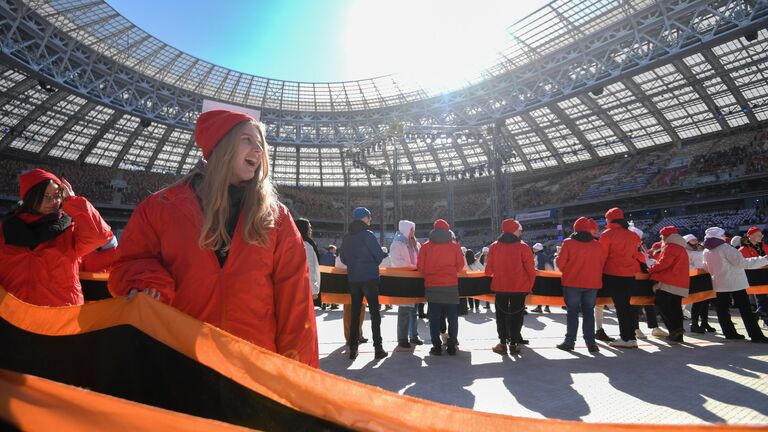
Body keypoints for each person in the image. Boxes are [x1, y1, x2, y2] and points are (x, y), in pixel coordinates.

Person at [109, 110, 319, 367]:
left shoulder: (277, 217)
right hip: (182, 359)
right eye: (248, 140)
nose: (259, 150)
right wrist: (147, 282)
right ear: (221, 143)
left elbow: (295, 303)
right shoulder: (161, 207)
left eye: (261, 144)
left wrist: (300, 376)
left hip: (254, 369)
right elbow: (129, 262)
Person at [1, 169, 113, 306]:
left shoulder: (69, 230)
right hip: (14, 317)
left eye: (57, 195)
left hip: (60, 318)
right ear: (31, 197)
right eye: (46, 196)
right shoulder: (5, 230)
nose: (53, 201)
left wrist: (72, 200)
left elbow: (100, 236)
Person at [702, 227, 768, 343]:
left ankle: (729, 333)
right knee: (745, 309)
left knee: (722, 310)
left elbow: (706, 268)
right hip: (735, 282)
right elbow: (743, 263)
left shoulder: (706, 251)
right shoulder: (725, 248)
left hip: (719, 283)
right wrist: (764, 259)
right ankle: (756, 335)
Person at [340, 207, 388, 360]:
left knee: (355, 314)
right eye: (369, 216)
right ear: (364, 218)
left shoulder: (347, 237)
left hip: (354, 279)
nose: (370, 219)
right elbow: (378, 256)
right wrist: (379, 256)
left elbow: (343, 259)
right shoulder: (368, 235)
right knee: (374, 314)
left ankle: (353, 349)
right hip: (370, 278)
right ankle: (378, 348)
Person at [485, 219, 535, 355]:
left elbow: (488, 271)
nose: (520, 232)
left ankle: (502, 344)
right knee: (516, 316)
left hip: (500, 287)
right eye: (519, 230)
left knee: (501, 316)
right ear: (513, 230)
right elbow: (531, 270)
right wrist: (529, 286)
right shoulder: (523, 247)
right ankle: (513, 344)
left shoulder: (494, 246)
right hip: (519, 288)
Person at [556, 217, 606, 352]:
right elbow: (602, 264)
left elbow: (560, 265)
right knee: (589, 312)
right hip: (592, 283)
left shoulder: (568, 243)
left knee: (572, 312)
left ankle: (569, 342)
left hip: (572, 282)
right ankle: (591, 343)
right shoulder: (598, 245)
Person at [417, 219, 464, 356]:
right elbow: (460, 265)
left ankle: (436, 346)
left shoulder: (426, 246)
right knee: (452, 317)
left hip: (432, 285)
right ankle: (451, 346)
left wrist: (430, 273)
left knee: (434, 318)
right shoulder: (455, 246)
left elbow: (420, 267)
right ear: (448, 231)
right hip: (450, 285)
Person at [600, 207, 641, 348]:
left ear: (609, 219)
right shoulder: (632, 235)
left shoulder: (607, 234)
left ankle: (626, 338)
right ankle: (631, 337)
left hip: (613, 274)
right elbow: (635, 255)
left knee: (621, 307)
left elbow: (602, 256)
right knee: (627, 306)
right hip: (630, 274)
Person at [648, 226, 689, 343]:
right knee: (675, 307)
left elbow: (663, 263)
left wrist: (650, 269)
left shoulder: (670, 247)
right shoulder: (681, 247)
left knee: (661, 304)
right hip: (680, 282)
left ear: (666, 236)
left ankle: (674, 330)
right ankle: (678, 333)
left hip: (669, 281)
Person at [389, 220, 423, 348]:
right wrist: (412, 267)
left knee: (414, 310)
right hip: (404, 279)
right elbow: (395, 261)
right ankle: (402, 338)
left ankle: (413, 335)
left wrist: (415, 247)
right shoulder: (397, 243)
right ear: (405, 229)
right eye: (411, 229)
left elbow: (421, 258)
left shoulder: (416, 243)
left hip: (415, 278)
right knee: (404, 310)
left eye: (413, 229)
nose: (413, 232)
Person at [740, 227, 768, 327]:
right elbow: (747, 264)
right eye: (759, 235)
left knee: (763, 301)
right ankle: (759, 315)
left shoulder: (764, 246)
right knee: (761, 299)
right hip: (754, 278)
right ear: (751, 236)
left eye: (761, 235)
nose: (761, 237)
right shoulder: (743, 249)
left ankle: (760, 316)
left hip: (765, 276)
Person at [295, 218, 321, 306]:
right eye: (309, 228)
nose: (311, 230)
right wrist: (314, 290)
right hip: (304, 288)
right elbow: (309, 268)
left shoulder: (292, 243)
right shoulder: (306, 245)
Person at [531, 243, 551, 313]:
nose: (533, 249)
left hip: (540, 275)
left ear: (537, 249)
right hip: (546, 275)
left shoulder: (538, 256)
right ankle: (547, 307)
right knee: (546, 291)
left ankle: (539, 307)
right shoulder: (544, 255)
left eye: (534, 248)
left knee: (539, 291)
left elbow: (538, 266)